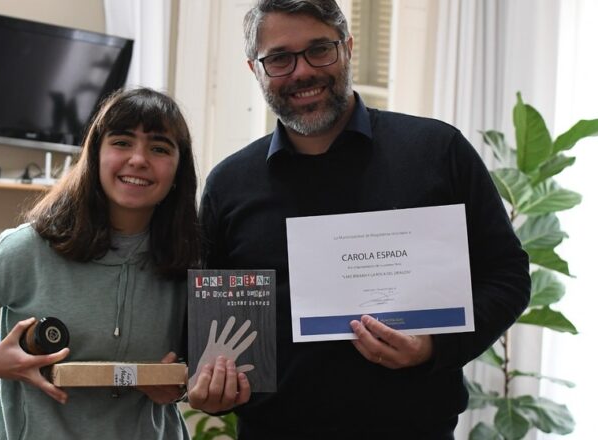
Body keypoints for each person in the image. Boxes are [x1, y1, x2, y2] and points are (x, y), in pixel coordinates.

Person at [191, 1, 531, 438]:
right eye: (279, 58)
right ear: (254, 69)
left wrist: (434, 346)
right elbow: (217, 332)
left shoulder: (437, 152)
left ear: (348, 49)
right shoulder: (229, 184)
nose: (302, 72)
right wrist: (210, 383)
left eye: (320, 50)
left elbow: (507, 275)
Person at [0, 88, 199, 440]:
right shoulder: (31, 246)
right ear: (96, 154)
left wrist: (179, 386)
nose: (138, 159)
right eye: (121, 142)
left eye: (159, 148)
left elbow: (205, 366)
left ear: (178, 169)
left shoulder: (190, 261)